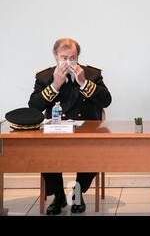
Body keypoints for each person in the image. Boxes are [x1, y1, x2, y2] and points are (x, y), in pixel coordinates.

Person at [28, 38, 112, 215]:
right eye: (63, 57)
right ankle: (58, 195)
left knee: (91, 150)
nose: (68, 62)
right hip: (56, 131)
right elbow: (34, 107)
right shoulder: (44, 76)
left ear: (77, 56)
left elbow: (106, 100)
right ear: (55, 56)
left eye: (72, 57)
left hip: (87, 131)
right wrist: (55, 85)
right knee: (45, 151)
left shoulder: (92, 74)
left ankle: (78, 193)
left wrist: (83, 82)